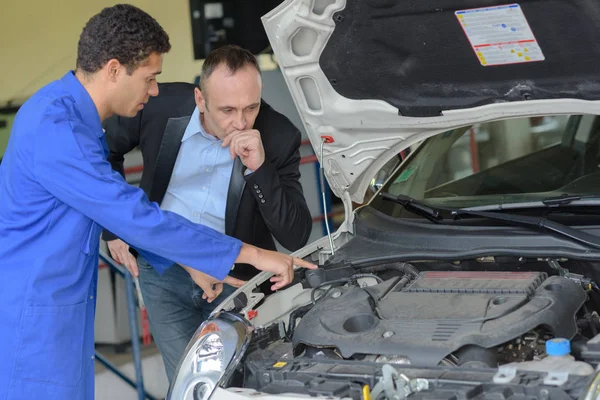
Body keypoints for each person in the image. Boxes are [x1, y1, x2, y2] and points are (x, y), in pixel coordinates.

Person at [0, 5, 315, 400]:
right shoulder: (56, 130)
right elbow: (133, 215)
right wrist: (250, 252)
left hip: (58, 312)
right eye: (150, 78)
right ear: (114, 70)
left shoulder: (72, 120)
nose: (154, 91)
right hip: (33, 323)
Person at [103, 44, 312, 381]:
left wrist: (259, 168)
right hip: (163, 268)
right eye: (227, 109)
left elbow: (296, 233)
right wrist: (113, 227)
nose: (240, 122)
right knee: (189, 382)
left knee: (240, 382)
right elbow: (103, 152)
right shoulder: (156, 105)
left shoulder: (279, 135)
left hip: (235, 279)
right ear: (200, 99)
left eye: (251, 107)